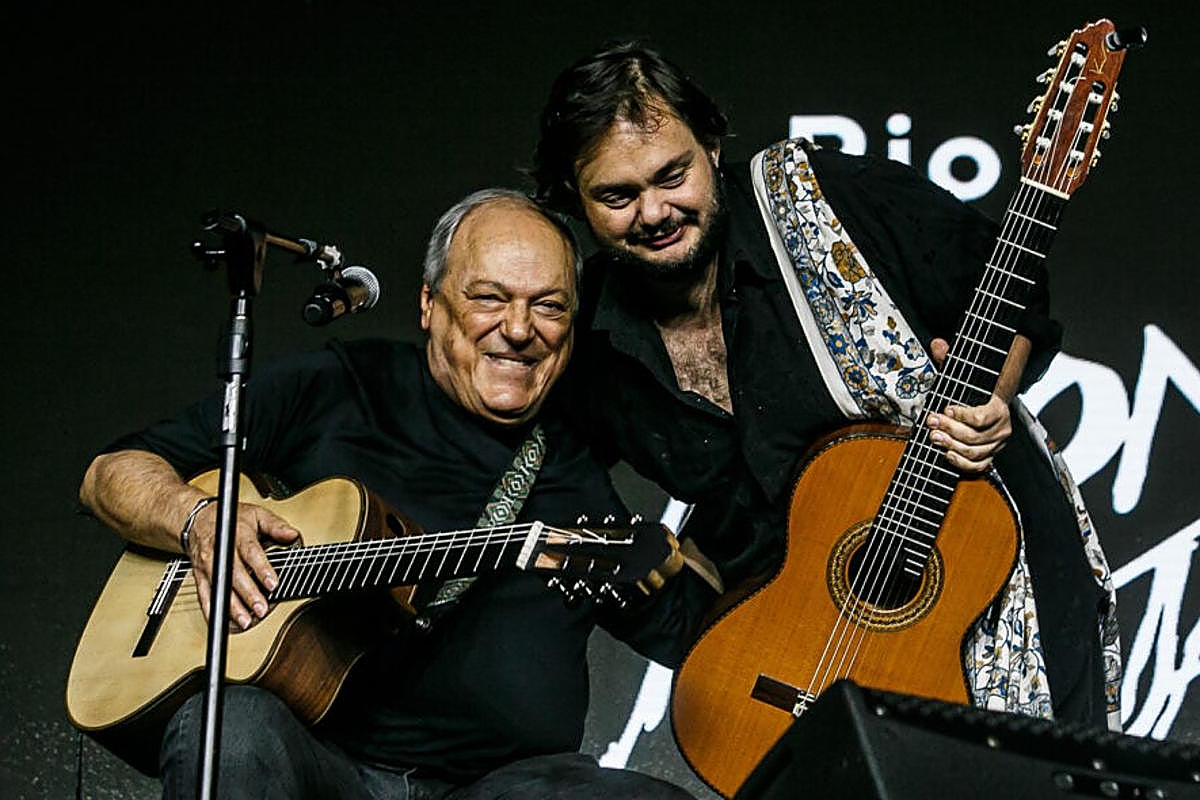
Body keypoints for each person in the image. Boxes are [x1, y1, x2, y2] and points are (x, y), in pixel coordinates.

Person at [530, 41, 1121, 729]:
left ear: (711, 145)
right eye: (618, 196)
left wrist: (991, 397)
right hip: (807, 658)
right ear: (574, 197)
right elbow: (556, 492)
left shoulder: (820, 196)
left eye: (672, 176)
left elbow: (1010, 289)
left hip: (991, 579)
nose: (656, 212)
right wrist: (714, 638)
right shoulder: (590, 342)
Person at [78, 189, 710, 799]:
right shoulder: (337, 386)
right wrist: (196, 518)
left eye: (549, 306)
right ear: (430, 304)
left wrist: (694, 565)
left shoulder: (576, 474)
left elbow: (698, 633)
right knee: (229, 728)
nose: (518, 329)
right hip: (320, 767)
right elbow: (110, 473)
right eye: (490, 297)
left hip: (501, 786)